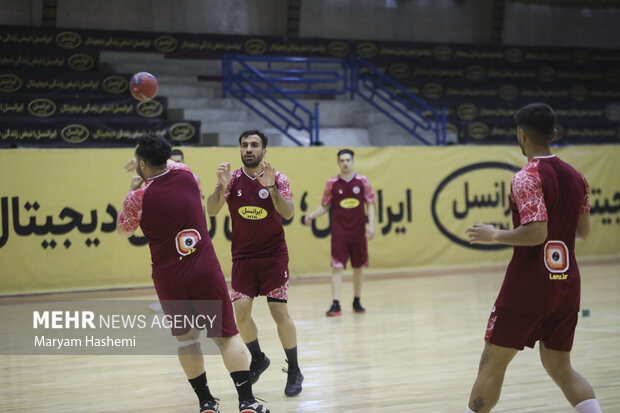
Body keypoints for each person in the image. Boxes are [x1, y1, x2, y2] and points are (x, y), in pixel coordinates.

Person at [464, 103, 601, 413]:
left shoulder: (527, 177)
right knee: (560, 366)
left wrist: (494, 234)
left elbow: (536, 233)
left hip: (529, 283)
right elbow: (582, 231)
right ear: (553, 134)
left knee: (492, 364)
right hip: (566, 282)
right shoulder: (578, 177)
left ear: (521, 135)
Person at [117, 134, 268, 413]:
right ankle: (247, 401)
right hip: (204, 271)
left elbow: (124, 230)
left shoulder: (137, 198)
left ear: (141, 165)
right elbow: (171, 165)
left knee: (187, 340)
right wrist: (145, 162)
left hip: (169, 278)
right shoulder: (188, 176)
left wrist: (132, 189)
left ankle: (206, 403)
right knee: (227, 336)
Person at [206, 129, 303, 397]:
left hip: (274, 255)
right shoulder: (232, 178)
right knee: (241, 313)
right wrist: (221, 187)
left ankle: (294, 369)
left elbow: (288, 212)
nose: (249, 149)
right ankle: (258, 358)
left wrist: (271, 188)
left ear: (264, 151)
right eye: (244, 145)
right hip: (243, 257)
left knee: (278, 313)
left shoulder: (278, 178)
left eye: (254, 145)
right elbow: (211, 210)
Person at [303, 149, 376, 317]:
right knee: (337, 267)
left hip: (358, 233)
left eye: (348, 160)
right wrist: (311, 216)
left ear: (353, 161)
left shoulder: (362, 181)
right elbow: (325, 205)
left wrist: (371, 226)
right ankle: (335, 303)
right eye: (342, 160)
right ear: (338, 163)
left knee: (358, 267)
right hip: (339, 233)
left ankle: (357, 300)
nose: (345, 163)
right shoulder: (332, 183)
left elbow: (370, 203)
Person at [148, 148, 203, 315]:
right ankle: (166, 300)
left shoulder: (193, 179)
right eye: (172, 162)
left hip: (188, 231)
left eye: (179, 162)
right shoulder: (156, 181)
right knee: (167, 266)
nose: (175, 165)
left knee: (190, 265)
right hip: (167, 230)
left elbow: (197, 205)